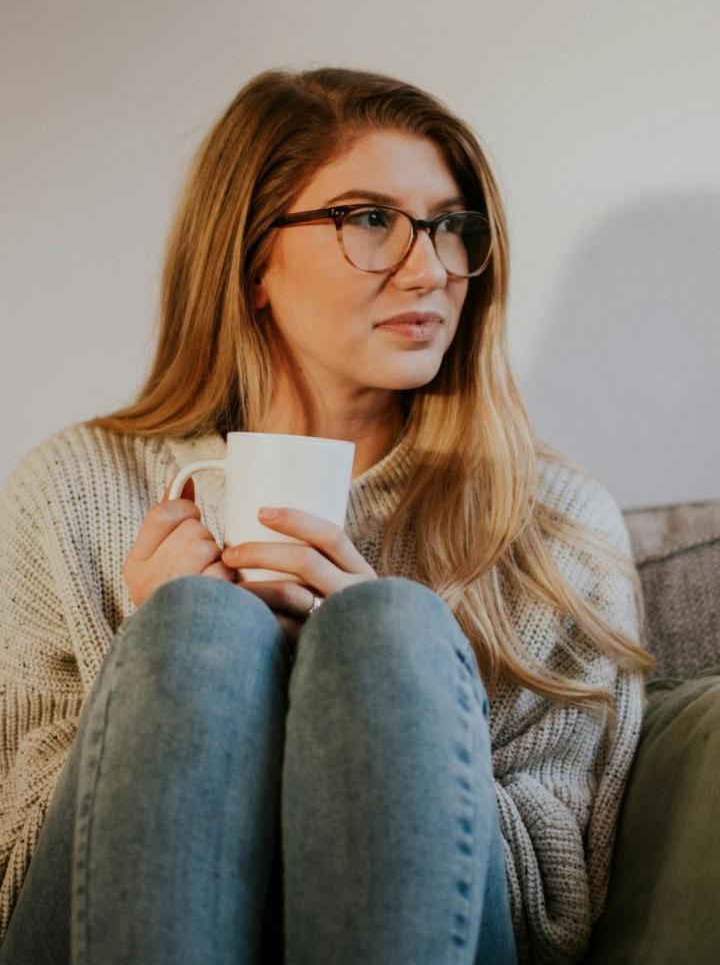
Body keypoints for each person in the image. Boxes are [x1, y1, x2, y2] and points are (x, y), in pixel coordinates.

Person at [0, 66, 654, 965]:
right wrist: (158, 674)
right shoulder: (72, 490)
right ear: (251, 259)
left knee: (383, 629)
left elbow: (555, 911)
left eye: (451, 227)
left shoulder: (549, 522)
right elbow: (12, 884)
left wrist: (384, 697)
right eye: (370, 220)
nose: (430, 269)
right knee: (193, 629)